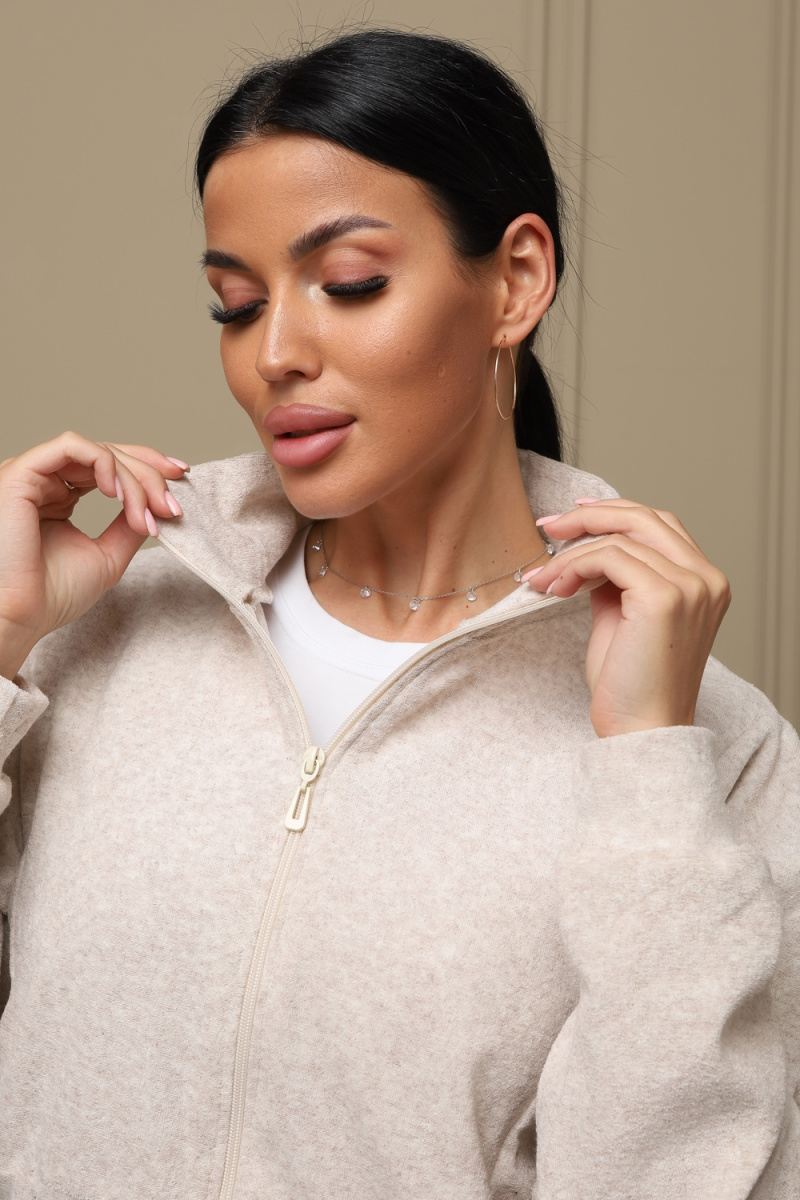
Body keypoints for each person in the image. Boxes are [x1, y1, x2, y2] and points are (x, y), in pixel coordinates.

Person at [0, 27, 797, 1200]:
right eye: (235, 305)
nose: (274, 354)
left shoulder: (712, 751)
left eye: (349, 283)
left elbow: (674, 1174)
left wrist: (647, 764)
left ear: (514, 281)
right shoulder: (102, 633)